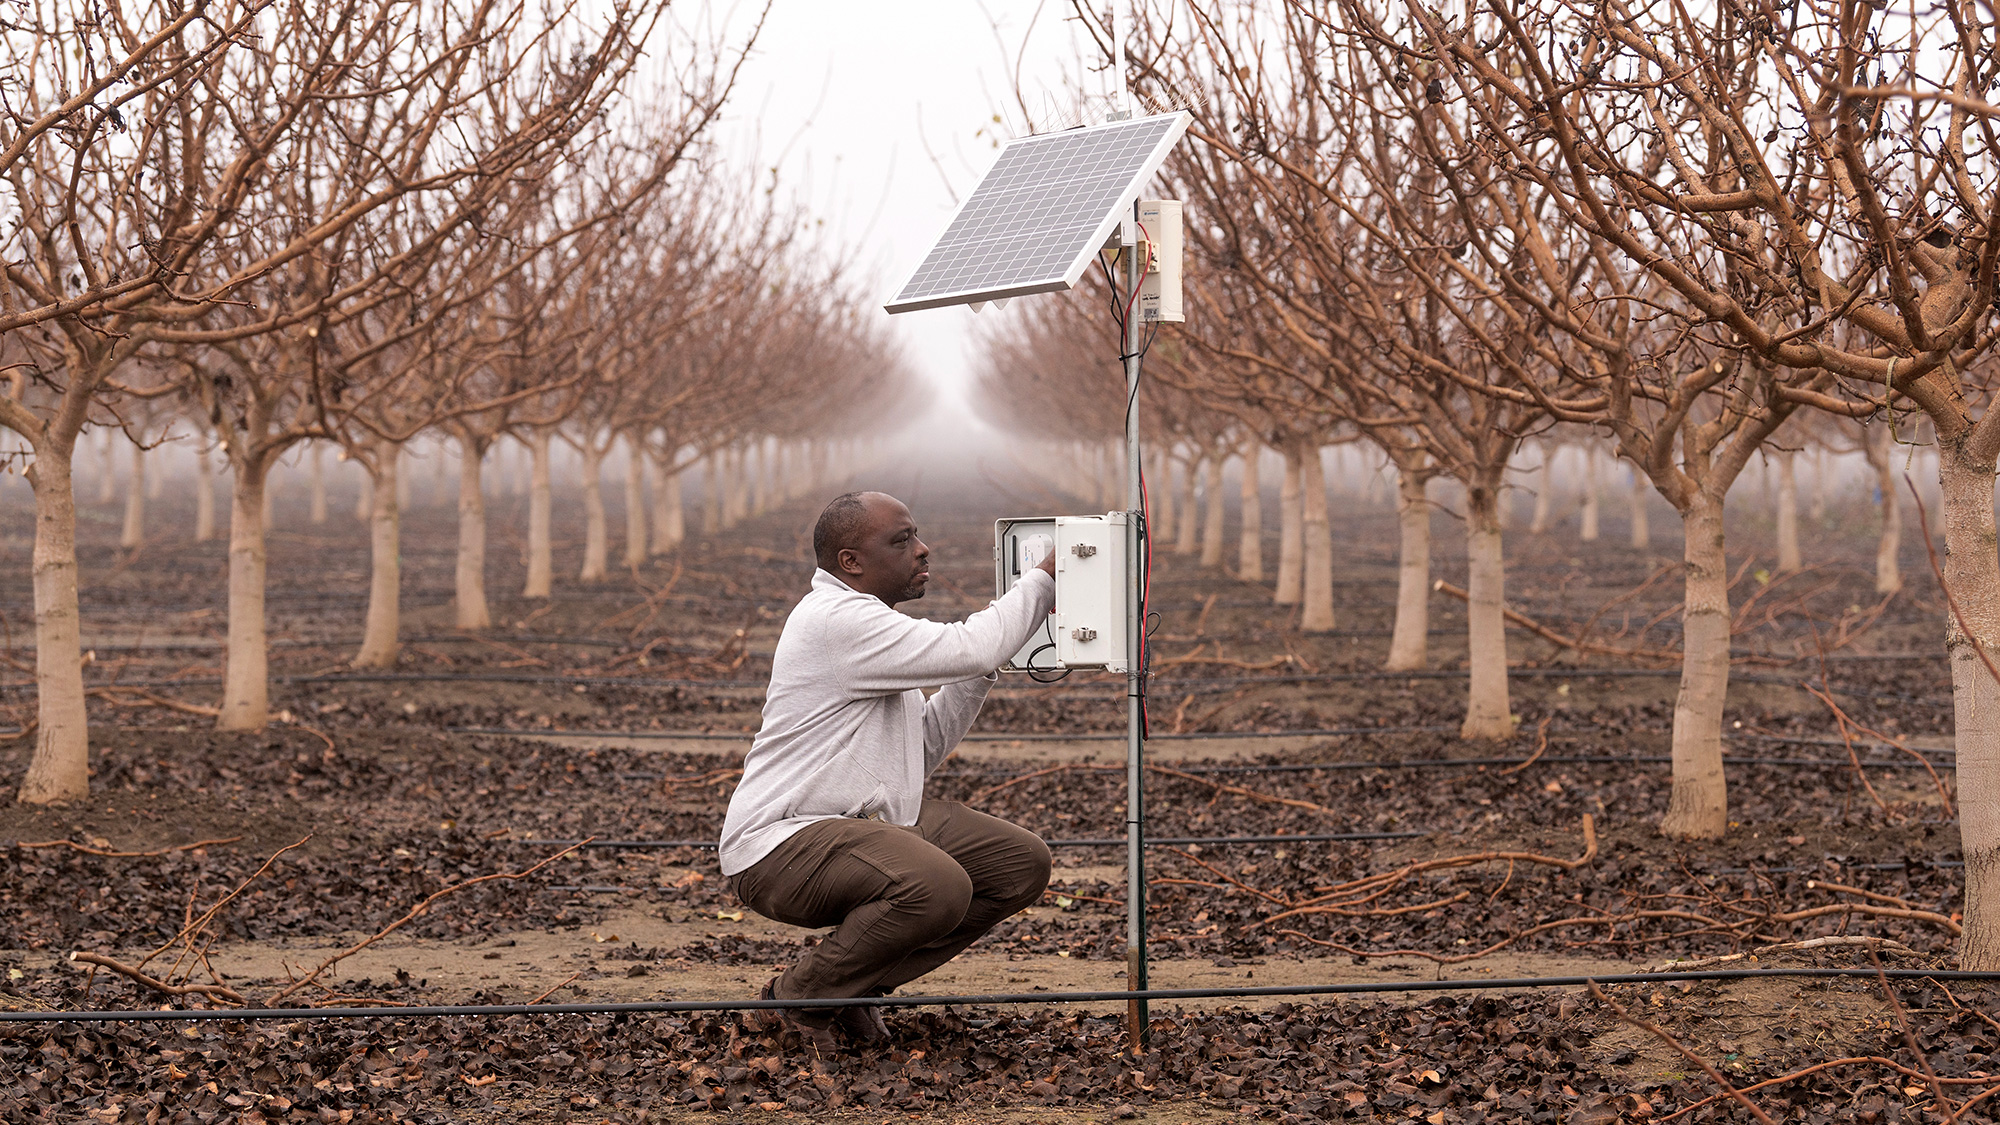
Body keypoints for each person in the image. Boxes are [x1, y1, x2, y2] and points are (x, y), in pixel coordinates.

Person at [719, 490, 1057, 1053]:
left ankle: (853, 988)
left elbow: (917, 750)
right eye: (901, 541)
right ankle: (798, 1000)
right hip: (780, 843)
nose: (923, 551)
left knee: (1019, 864)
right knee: (937, 886)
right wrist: (1042, 581)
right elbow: (972, 644)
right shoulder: (836, 621)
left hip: (860, 824)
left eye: (917, 536)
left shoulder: (871, 624)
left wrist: (981, 667)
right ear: (851, 562)